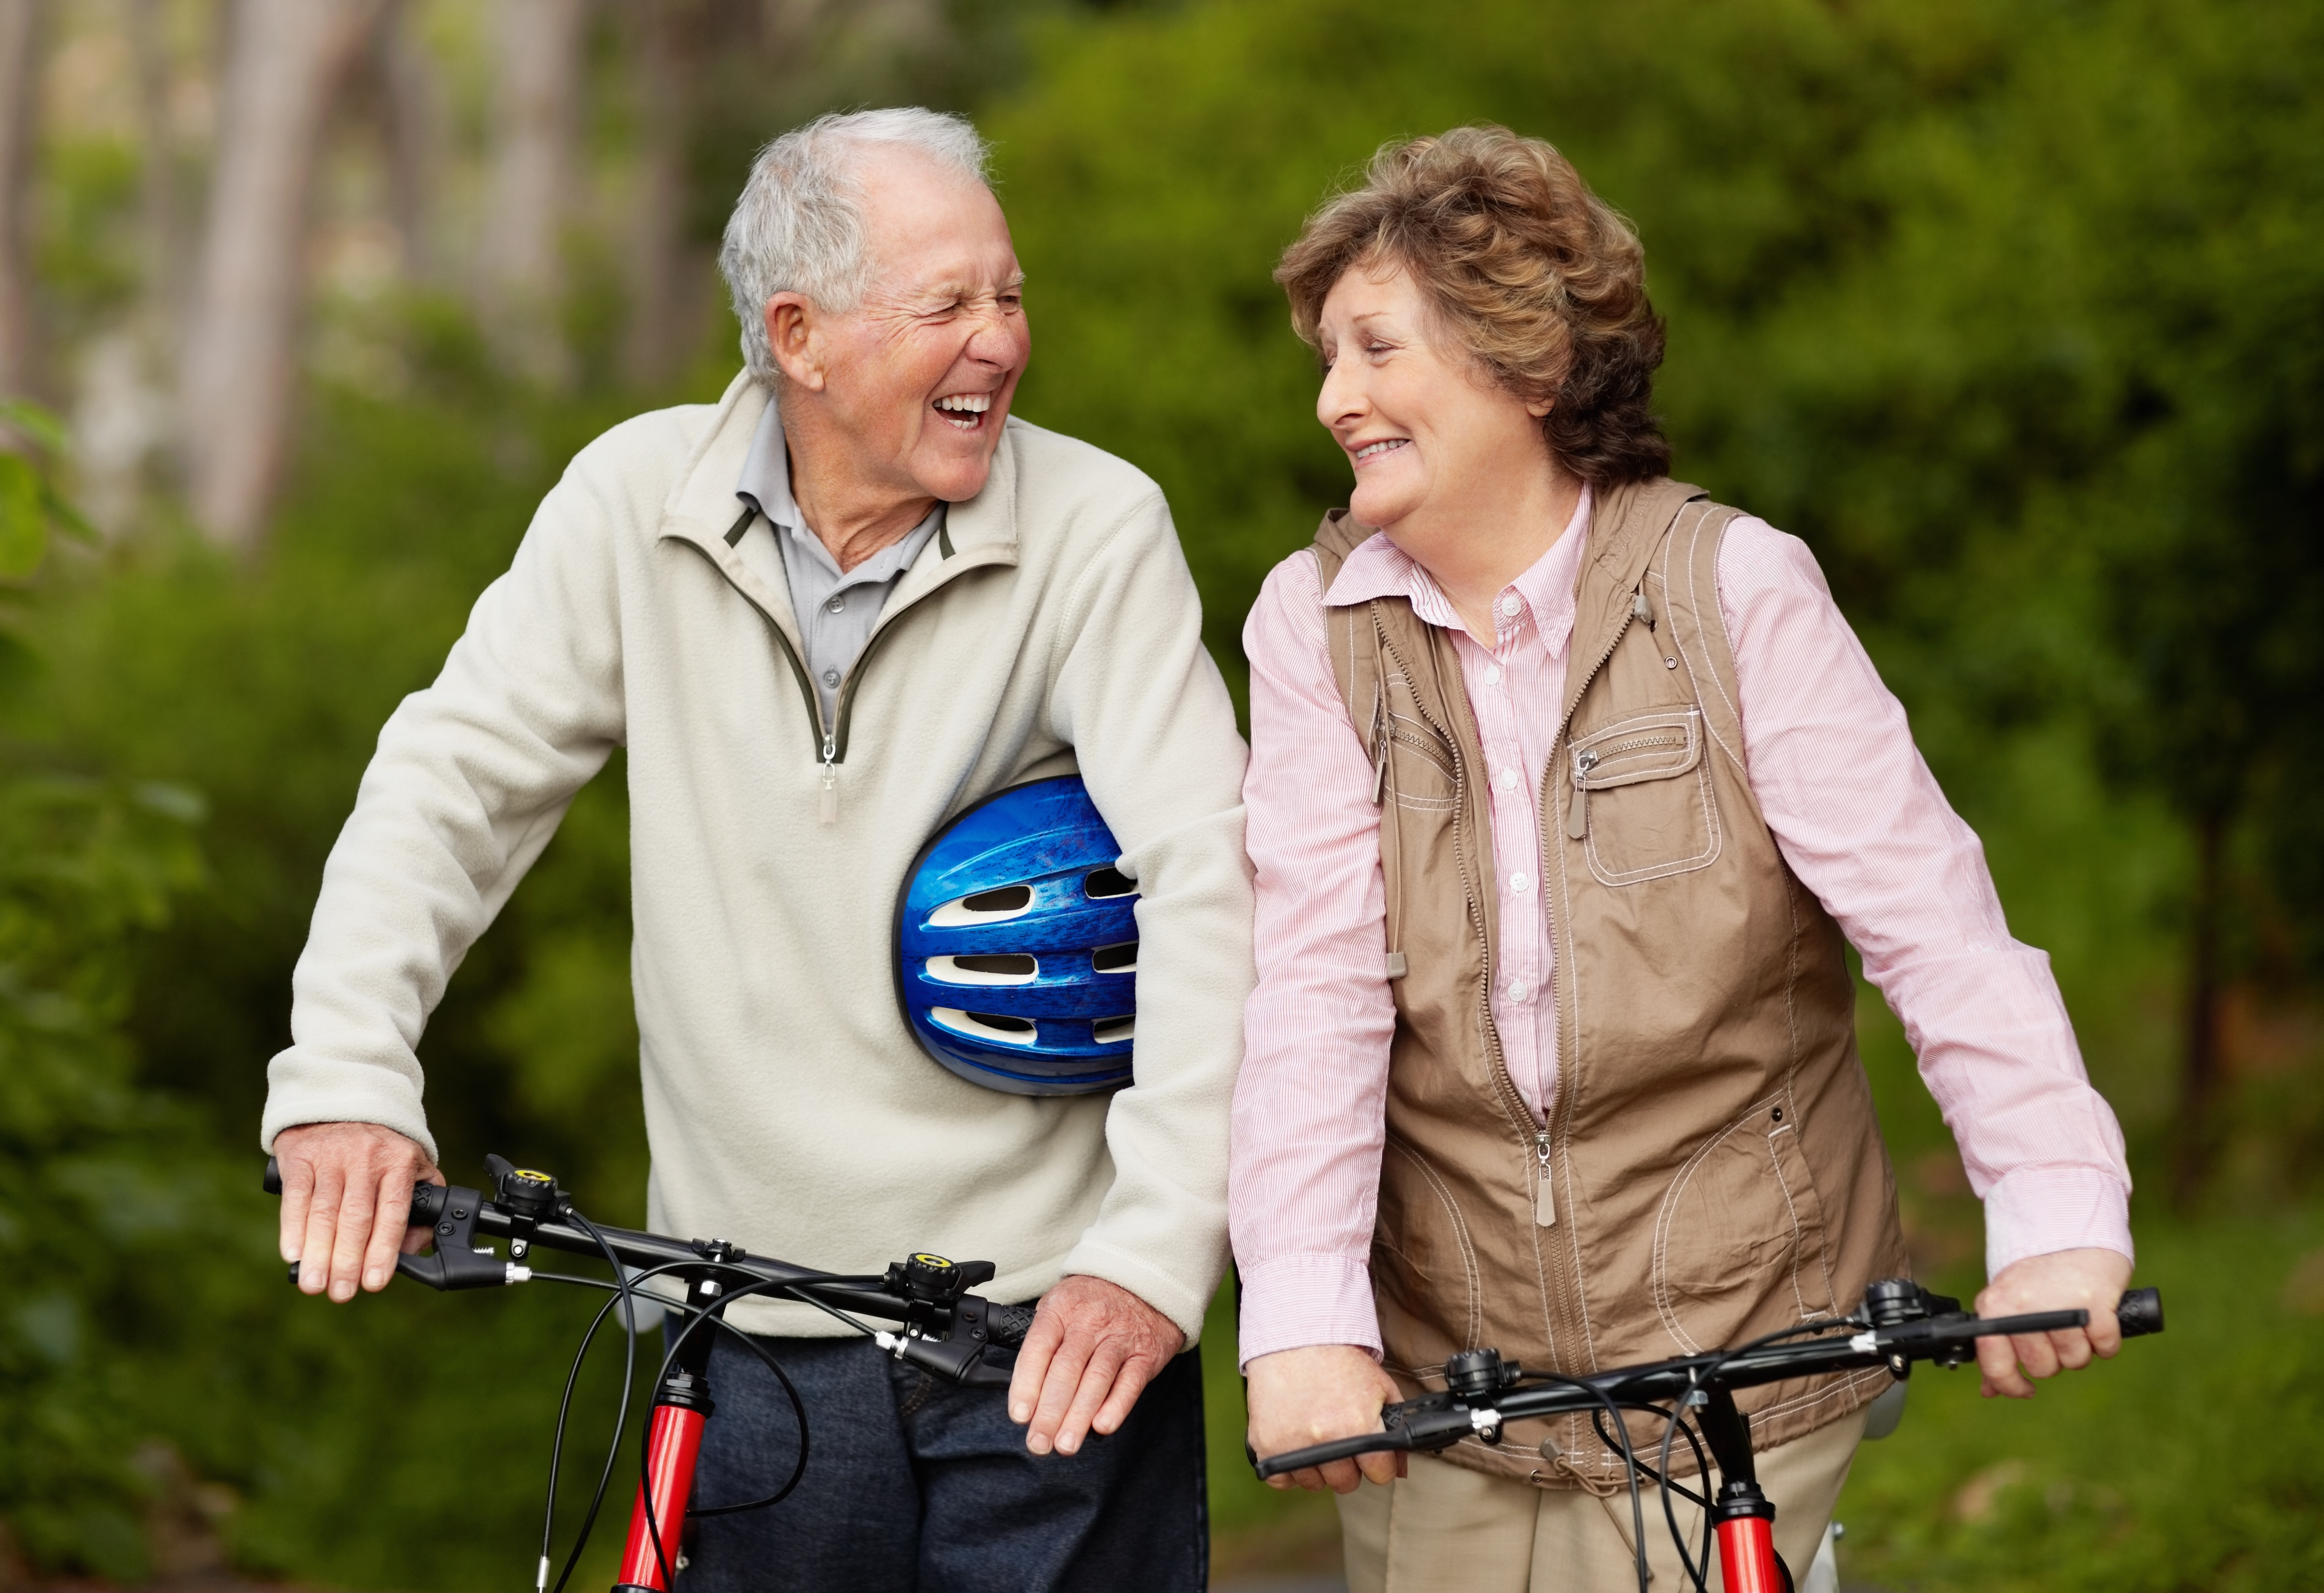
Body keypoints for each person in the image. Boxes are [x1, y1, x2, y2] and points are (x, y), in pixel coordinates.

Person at [261, 108, 1252, 1593]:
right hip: (745, 1346)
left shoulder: (1097, 529)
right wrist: (344, 1073)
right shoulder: (630, 503)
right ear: (799, 335)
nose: (999, 341)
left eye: (1009, 294)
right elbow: (449, 783)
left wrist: (1155, 1255)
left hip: (1048, 1337)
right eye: (946, 306)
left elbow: (1211, 880)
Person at [1230, 126, 2136, 1592]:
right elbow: (1314, 994)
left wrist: (2052, 1216)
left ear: (1521, 363)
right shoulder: (1313, 623)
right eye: (1327, 358)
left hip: (1746, 1332)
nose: (1335, 400)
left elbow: (1932, 926)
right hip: (1455, 1357)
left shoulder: (1731, 589)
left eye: (1376, 350)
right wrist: (1302, 1325)